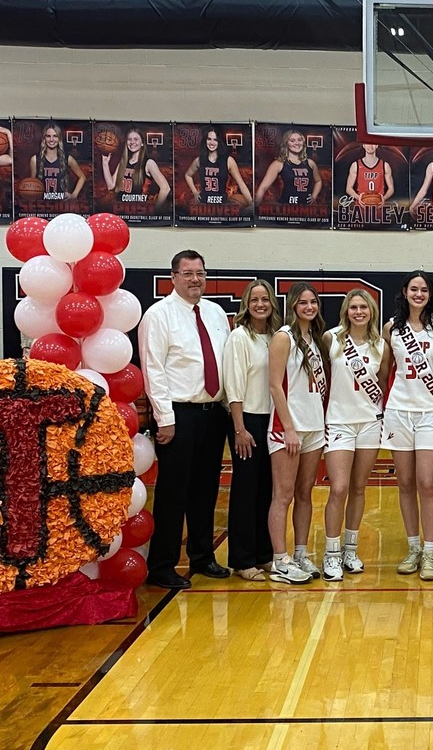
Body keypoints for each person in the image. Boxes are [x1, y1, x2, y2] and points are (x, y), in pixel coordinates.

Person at [138, 250, 231, 589]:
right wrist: (164, 418)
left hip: (213, 413)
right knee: (173, 492)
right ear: (173, 276)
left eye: (200, 273)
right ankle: (162, 566)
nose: (195, 279)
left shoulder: (216, 312)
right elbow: (153, 369)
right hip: (178, 415)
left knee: (206, 490)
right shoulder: (159, 315)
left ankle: (203, 556)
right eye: (188, 273)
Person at [382, 271, 433, 581]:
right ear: (405, 292)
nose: (419, 294)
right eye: (414, 289)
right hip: (398, 411)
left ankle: (431, 552)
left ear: (430, 294)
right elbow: (384, 371)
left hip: (430, 414)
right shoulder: (390, 329)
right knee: (406, 483)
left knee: (427, 483)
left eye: (424, 289)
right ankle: (413, 548)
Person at [322, 289, 391, 581]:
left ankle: (350, 549)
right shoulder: (331, 338)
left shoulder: (381, 346)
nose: (359, 312)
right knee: (339, 488)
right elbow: (323, 375)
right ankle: (331, 552)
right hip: (339, 421)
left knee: (359, 488)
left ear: (372, 311)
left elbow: (383, 380)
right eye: (354, 307)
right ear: (346, 310)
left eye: (364, 307)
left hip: (369, 423)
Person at [266, 282, 329, 585]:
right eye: (302, 302)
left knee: (305, 494)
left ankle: (301, 554)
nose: (308, 307)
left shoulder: (315, 338)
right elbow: (275, 385)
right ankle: (280, 560)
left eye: (313, 302)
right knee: (284, 495)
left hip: (314, 426)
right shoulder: (284, 337)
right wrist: (288, 427)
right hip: (287, 428)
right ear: (292, 305)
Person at [223, 279, 281, 582]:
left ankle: (264, 554)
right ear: (247, 304)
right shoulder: (239, 337)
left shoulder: (274, 337)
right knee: (245, 491)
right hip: (247, 420)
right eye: (254, 299)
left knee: (266, 491)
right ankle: (242, 559)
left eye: (265, 299)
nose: (260, 304)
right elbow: (233, 385)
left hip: (272, 422)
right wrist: (239, 428)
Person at [101, 127, 171, 210]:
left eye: (136, 139)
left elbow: (165, 188)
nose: (132, 142)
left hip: (139, 213)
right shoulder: (123, 162)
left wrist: (155, 210)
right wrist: (105, 164)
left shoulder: (149, 163)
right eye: (129, 139)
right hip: (122, 211)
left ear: (142, 143)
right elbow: (111, 186)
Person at [184, 126, 253, 206]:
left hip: (222, 207)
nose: (212, 143)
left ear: (219, 141)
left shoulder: (228, 161)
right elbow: (187, 175)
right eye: (209, 139)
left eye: (215, 139)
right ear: (205, 141)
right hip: (203, 206)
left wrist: (251, 204)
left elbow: (241, 184)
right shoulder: (199, 160)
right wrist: (195, 192)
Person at [255, 129, 322, 206]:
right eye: (292, 141)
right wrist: (256, 208)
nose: (297, 143)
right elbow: (263, 187)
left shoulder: (311, 163)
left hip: (306, 210)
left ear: (303, 142)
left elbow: (318, 181)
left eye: (299, 140)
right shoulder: (278, 164)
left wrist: (314, 196)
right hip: (286, 209)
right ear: (286, 143)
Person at [28, 122, 86, 200]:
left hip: (61, 206)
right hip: (42, 205)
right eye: (48, 136)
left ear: (59, 139)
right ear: (44, 138)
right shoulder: (35, 159)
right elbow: (32, 185)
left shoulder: (68, 159)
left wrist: (74, 195)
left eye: (55, 136)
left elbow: (82, 177)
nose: (51, 139)